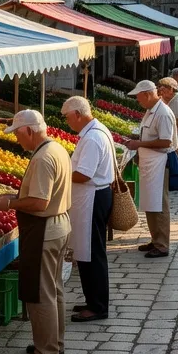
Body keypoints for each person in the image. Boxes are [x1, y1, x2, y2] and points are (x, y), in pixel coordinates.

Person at [0, 110, 72, 354]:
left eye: (17, 133)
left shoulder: (42, 158)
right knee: (54, 289)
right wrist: (16, 195)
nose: (16, 139)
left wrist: (10, 203)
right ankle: (53, 342)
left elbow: (40, 202)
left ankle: (46, 352)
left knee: (41, 293)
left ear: (28, 130)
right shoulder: (56, 149)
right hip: (59, 225)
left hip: (44, 230)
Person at [62, 97, 116, 322]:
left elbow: (84, 174)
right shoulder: (94, 131)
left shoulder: (93, 138)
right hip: (92, 196)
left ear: (77, 114)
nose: (66, 122)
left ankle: (98, 306)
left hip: (93, 197)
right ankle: (92, 299)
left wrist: (61, 175)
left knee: (93, 252)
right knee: (86, 252)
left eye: (67, 117)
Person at [126, 81, 175, 258]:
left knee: (159, 204)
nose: (139, 102)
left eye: (139, 98)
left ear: (147, 94)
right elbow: (149, 135)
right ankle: (155, 239)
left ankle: (162, 244)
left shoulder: (162, 113)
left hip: (159, 163)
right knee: (150, 202)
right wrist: (138, 139)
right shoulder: (150, 111)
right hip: (149, 162)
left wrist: (139, 143)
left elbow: (165, 142)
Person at [159, 77, 178, 175]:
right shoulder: (167, 100)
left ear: (171, 90)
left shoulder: (177, 102)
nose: (161, 92)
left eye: (163, 89)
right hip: (171, 134)